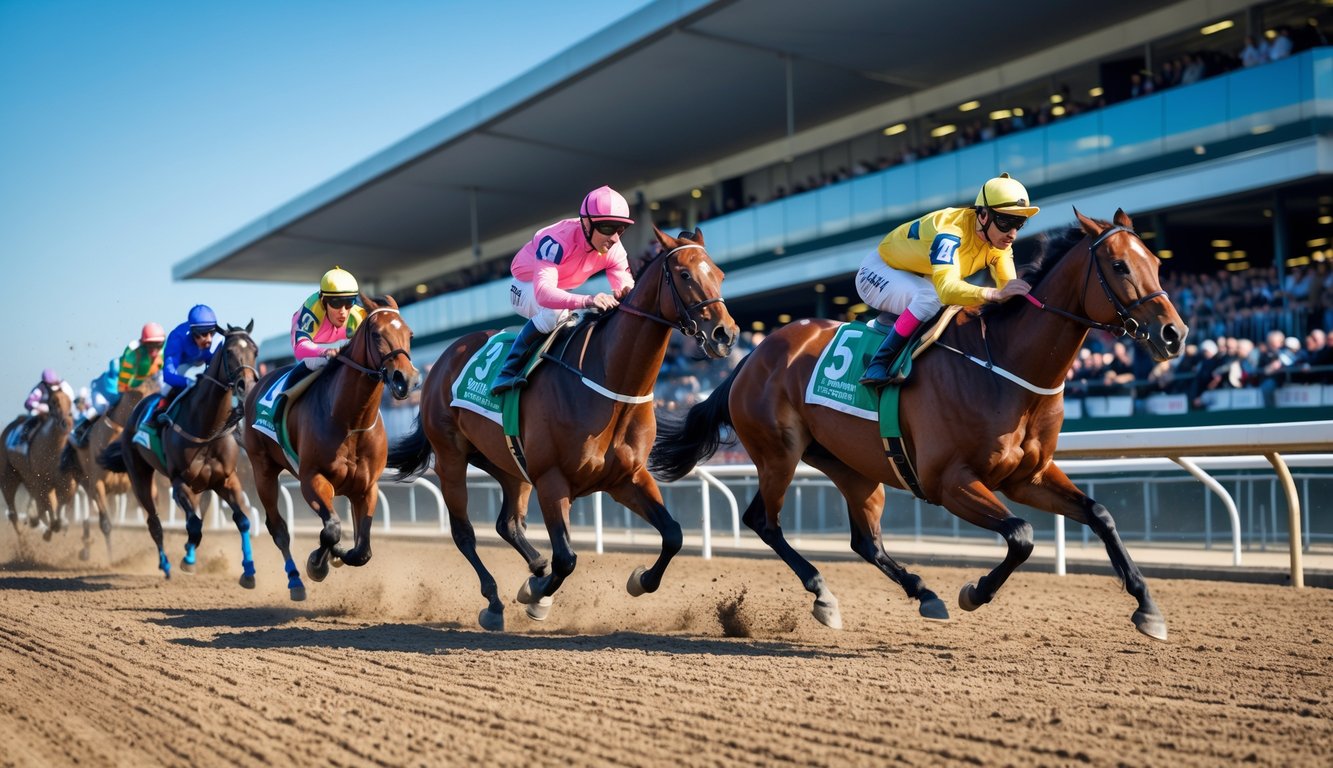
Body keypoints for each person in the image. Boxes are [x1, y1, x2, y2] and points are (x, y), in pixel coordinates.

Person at [856, 172, 1039, 388]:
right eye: (1005, 221)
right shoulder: (949, 233)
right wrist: (993, 294)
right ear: (983, 215)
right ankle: (879, 362)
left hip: (919, 273)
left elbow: (1008, 292)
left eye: (1019, 224)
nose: (1012, 234)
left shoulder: (999, 244)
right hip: (879, 271)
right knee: (931, 298)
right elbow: (946, 290)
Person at [490, 185, 636, 394]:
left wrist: (625, 295)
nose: (614, 238)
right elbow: (543, 293)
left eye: (620, 229)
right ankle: (508, 370)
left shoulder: (615, 250)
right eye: (607, 228)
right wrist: (588, 300)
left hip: (559, 288)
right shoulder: (557, 241)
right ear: (586, 223)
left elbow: (627, 290)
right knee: (556, 313)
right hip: (525, 286)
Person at [72, 323, 166, 446]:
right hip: (110, 386)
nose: (154, 351)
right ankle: (81, 428)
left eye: (158, 345)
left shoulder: (161, 354)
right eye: (150, 346)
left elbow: (160, 377)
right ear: (143, 343)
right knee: (104, 406)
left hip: (132, 384)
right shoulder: (132, 356)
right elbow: (124, 385)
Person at [287, 266, 366, 389]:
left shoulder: (358, 314)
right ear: (324, 301)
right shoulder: (313, 309)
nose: (343, 312)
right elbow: (299, 348)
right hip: (316, 347)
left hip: (341, 345)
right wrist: (325, 352)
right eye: (336, 303)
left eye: (349, 302)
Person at [153, 305, 220, 426]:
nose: (209, 339)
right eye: (204, 334)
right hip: (182, 367)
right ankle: (152, 419)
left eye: (212, 333)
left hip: (204, 364)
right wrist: (188, 382)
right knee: (165, 389)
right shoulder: (177, 337)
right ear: (193, 333)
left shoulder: (218, 340)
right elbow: (168, 375)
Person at [18, 369, 75, 445]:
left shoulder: (64, 386)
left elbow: (71, 399)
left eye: (54, 383)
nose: (53, 386)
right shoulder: (40, 388)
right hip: (42, 413)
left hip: (59, 413)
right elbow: (28, 403)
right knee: (31, 418)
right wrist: (40, 406)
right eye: (50, 384)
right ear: (45, 383)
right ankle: (23, 439)